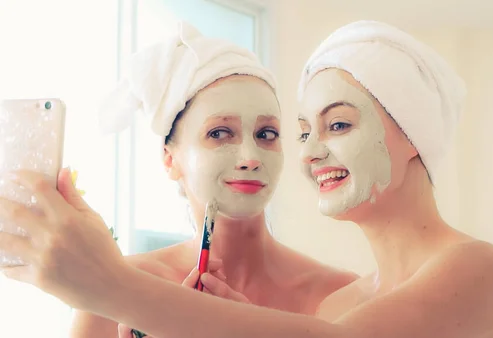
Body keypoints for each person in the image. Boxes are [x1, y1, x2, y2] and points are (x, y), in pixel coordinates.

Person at [0, 20, 493, 338]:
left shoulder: (483, 271)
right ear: (169, 157)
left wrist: (111, 286)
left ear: (413, 132)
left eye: (338, 124)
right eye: (304, 131)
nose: (311, 152)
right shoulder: (342, 305)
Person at [67, 22, 357, 337]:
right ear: (170, 159)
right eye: (219, 133)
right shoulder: (115, 294)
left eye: (266, 134)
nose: (250, 158)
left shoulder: (342, 295)